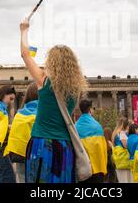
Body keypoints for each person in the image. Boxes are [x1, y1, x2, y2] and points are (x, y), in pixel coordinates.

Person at [20, 19, 87, 183]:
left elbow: (25, 54)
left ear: (52, 62)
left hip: (42, 144)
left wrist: (24, 30)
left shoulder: (44, 81)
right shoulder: (75, 89)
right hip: (65, 147)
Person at [6, 82, 39, 183]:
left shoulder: (19, 114)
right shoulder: (44, 113)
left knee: (21, 178)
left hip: (20, 154)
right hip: (38, 155)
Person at [75, 98, 107, 183]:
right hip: (97, 169)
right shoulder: (97, 126)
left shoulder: (75, 127)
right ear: (90, 109)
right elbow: (102, 150)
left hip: (82, 168)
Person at [111, 117, 132, 183]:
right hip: (124, 160)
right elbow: (126, 145)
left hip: (119, 160)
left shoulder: (115, 133)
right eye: (128, 125)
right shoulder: (122, 133)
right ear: (124, 125)